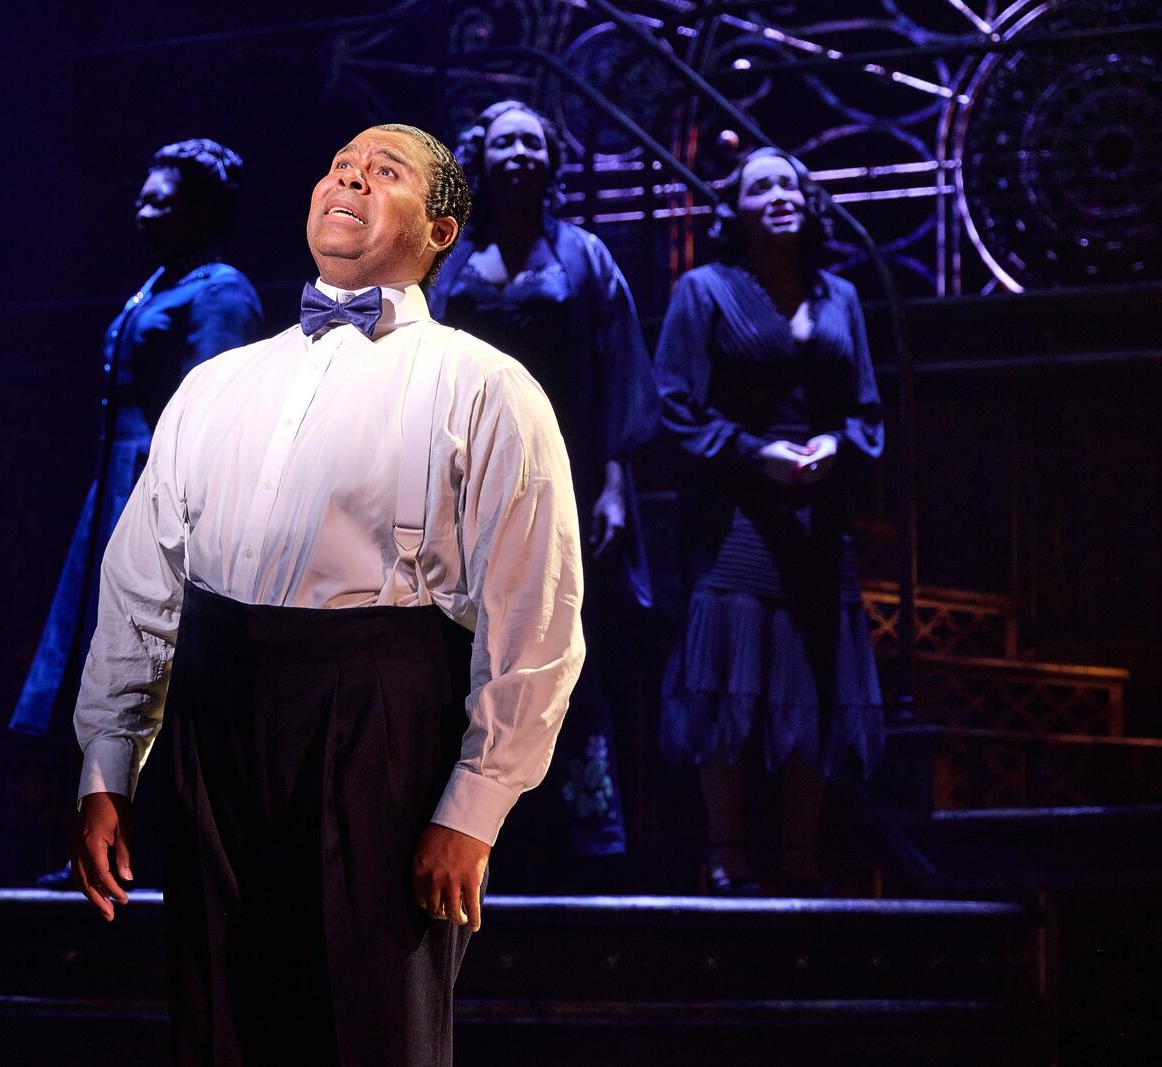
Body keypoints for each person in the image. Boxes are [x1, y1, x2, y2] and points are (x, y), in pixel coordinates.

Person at [70, 124, 584, 1066]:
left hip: (380, 713)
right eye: (340, 164)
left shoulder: (488, 388)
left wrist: (473, 806)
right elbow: (141, 582)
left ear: (439, 229)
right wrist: (108, 759)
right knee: (222, 1021)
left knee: (372, 1027)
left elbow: (535, 615)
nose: (349, 175)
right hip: (217, 711)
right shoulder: (219, 384)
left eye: (382, 171)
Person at [9, 139, 263, 888]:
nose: (144, 208)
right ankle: (99, 847)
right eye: (143, 195)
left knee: (157, 665)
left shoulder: (220, 290)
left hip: (160, 485)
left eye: (164, 198)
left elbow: (210, 404)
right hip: (114, 482)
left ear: (208, 209)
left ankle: (160, 847)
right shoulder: (157, 283)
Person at [429, 100, 659, 887]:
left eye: (534, 140)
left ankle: (577, 835)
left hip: (562, 478)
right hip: (464, 483)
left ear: (551, 159)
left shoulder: (586, 257)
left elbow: (624, 373)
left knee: (559, 648)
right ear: (481, 156)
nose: (521, 152)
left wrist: (617, 487)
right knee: (468, 649)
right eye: (506, 141)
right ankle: (473, 831)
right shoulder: (447, 257)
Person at [654, 147, 885, 895]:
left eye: (790, 183)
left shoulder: (841, 296)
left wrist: (837, 443)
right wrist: (757, 455)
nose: (780, 194)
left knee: (814, 671)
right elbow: (676, 406)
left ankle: (799, 849)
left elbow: (867, 408)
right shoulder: (705, 289)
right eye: (762, 186)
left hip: (820, 512)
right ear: (738, 208)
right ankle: (724, 844)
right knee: (729, 670)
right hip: (740, 511)